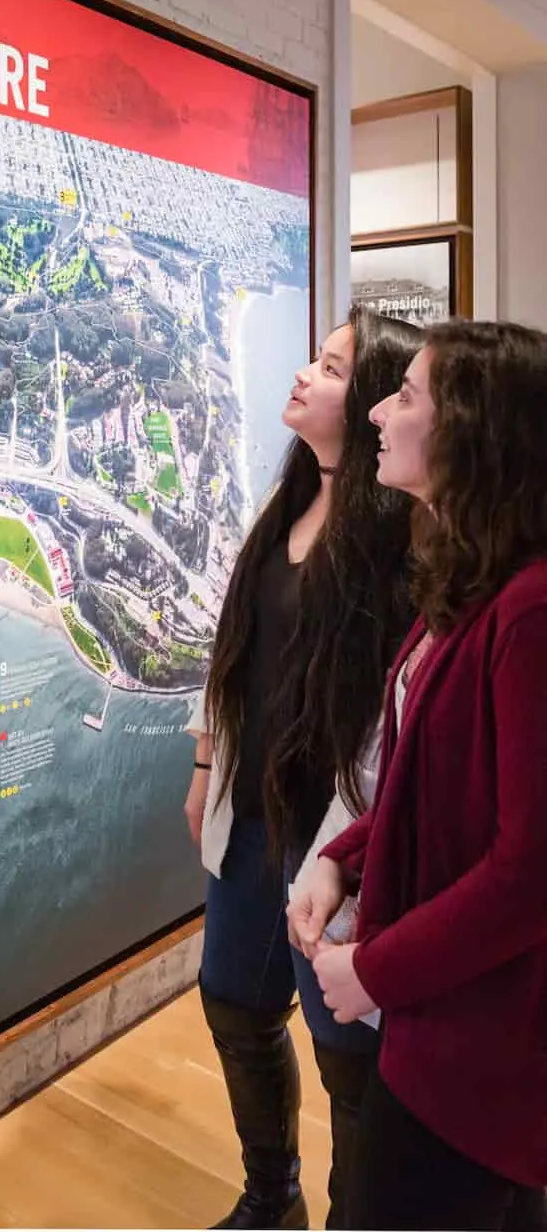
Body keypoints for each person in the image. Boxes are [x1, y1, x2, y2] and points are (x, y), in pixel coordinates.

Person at [289, 321, 547, 1232]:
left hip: (471, 1049)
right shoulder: (475, 584)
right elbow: (427, 785)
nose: (377, 411)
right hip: (437, 1026)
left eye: (407, 395)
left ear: (471, 432)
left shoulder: (528, 611)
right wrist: (344, 859)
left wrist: (376, 972)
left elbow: (526, 873)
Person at [186, 304, 422, 1229]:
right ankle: (270, 1192)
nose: (303, 376)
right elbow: (233, 649)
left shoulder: (398, 542)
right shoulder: (285, 503)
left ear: (366, 399)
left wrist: (345, 852)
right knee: (234, 1004)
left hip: (336, 838)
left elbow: (387, 725)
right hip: (251, 818)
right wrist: (207, 762)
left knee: (346, 1052)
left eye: (328, 368)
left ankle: (347, 1217)